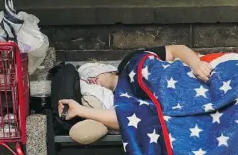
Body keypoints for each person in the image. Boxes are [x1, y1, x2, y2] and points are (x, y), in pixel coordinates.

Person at [58, 45, 212, 131]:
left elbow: (175, 50)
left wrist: (195, 63)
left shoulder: (130, 60)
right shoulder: (120, 99)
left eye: (91, 76)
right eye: (88, 84)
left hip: (201, 76)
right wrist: (80, 110)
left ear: (108, 69)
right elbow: (122, 119)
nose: (92, 82)